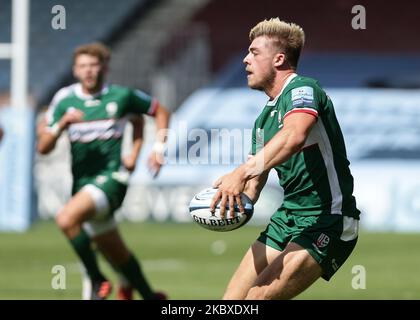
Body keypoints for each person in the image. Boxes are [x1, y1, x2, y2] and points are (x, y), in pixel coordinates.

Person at [210, 18, 360, 300]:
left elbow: (294, 136)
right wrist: (231, 202)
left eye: (254, 52)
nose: (245, 60)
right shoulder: (261, 122)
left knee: (256, 299)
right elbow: (253, 187)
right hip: (287, 218)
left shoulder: (303, 89)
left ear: (278, 59)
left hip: (328, 219)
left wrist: (240, 173)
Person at [37, 42, 171, 300]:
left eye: (93, 65)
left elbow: (158, 112)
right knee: (116, 252)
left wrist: (155, 148)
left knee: (66, 219)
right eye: (82, 66)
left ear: (105, 68)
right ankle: (149, 296)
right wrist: (61, 124)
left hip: (113, 179)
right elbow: (43, 147)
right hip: (82, 184)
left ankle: (98, 280)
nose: (88, 71)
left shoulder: (121, 96)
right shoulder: (65, 100)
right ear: (75, 70)